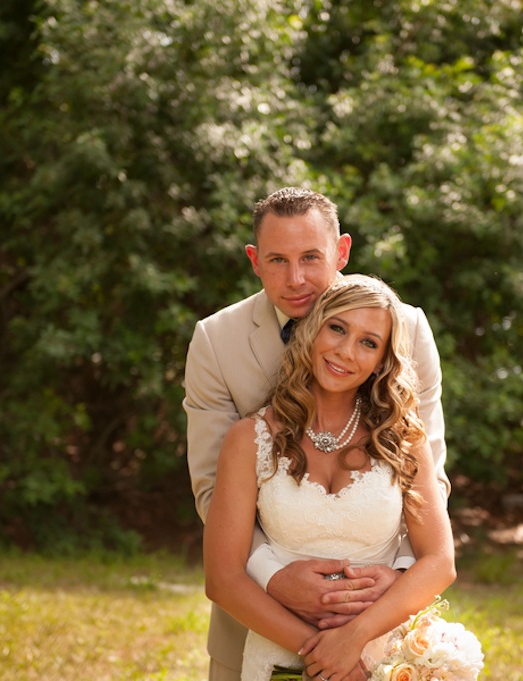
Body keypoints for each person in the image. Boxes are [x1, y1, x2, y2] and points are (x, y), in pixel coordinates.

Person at [183, 187, 448, 680]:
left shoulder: (406, 326)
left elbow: (428, 469)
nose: (296, 278)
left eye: (311, 257)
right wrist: (273, 575)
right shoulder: (216, 341)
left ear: (342, 252)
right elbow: (210, 487)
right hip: (257, 619)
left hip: (383, 626)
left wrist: (396, 580)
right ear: (254, 261)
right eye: (278, 261)